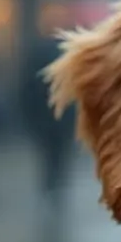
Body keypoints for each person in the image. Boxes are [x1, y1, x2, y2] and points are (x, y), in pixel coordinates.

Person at [21, 22, 76, 204]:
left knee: (47, 151)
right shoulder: (65, 61)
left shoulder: (35, 64)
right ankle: (56, 182)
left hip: (44, 118)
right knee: (59, 151)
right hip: (61, 118)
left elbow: (27, 92)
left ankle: (50, 183)